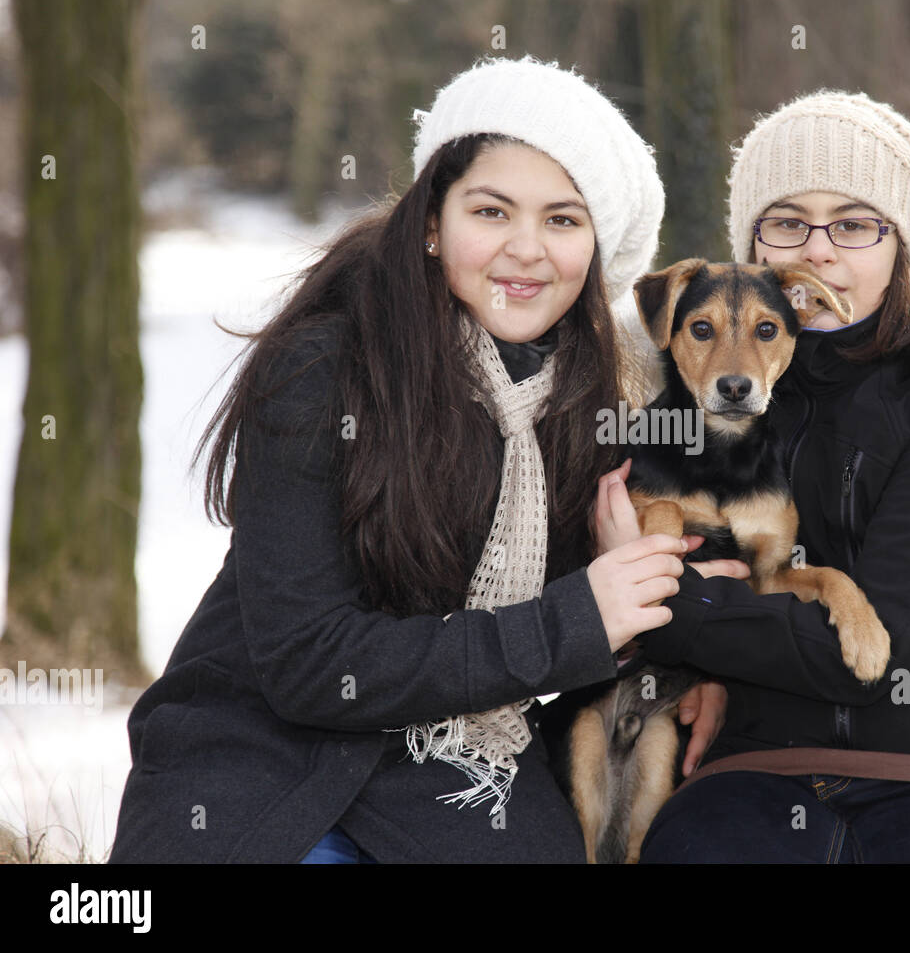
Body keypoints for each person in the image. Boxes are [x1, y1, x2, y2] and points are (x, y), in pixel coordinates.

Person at [106, 55, 736, 864]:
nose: (526, 250)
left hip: (459, 774)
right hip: (260, 754)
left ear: (594, 255)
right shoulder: (326, 368)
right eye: (492, 210)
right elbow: (310, 662)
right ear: (432, 223)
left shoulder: (590, 410)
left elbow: (620, 602)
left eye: (562, 220)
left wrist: (694, 641)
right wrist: (580, 616)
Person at [599, 90, 910, 863]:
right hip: (754, 763)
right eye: (787, 223)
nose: (817, 250)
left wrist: (676, 610)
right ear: (753, 248)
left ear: (901, 248)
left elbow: (874, 650)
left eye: (853, 224)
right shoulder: (699, 396)